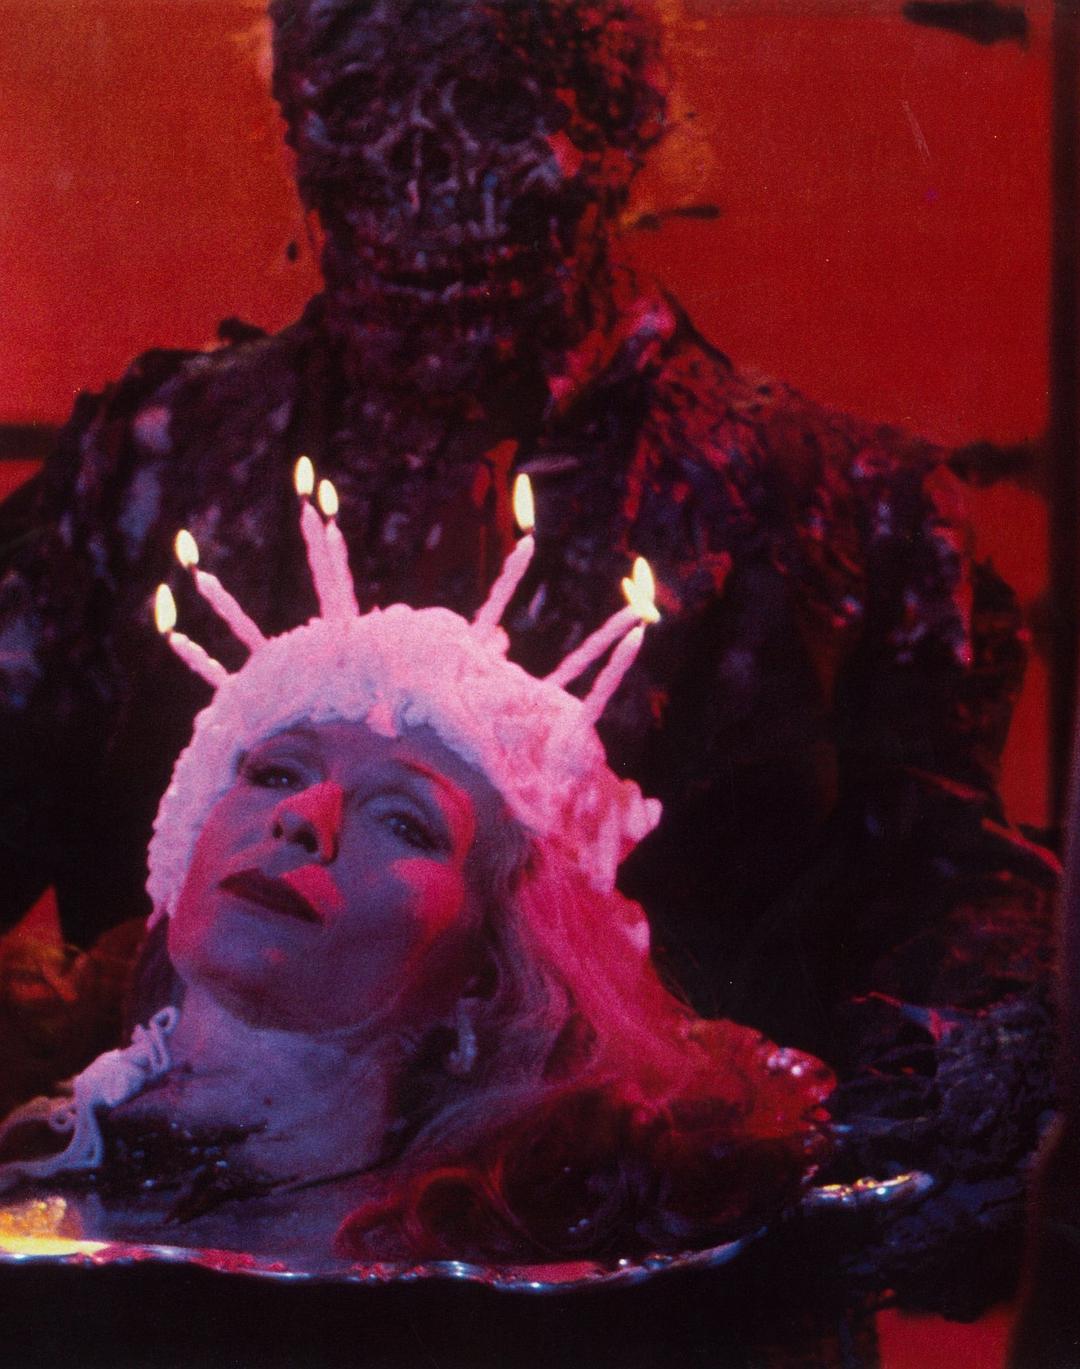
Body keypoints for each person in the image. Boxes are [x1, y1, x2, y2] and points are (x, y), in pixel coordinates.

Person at [0, 0, 1055, 1317]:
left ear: (623, 122)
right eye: (360, 104)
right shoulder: (151, 462)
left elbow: (969, 940)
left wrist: (732, 1161)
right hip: (143, 1294)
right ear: (293, 124)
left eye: (492, 106)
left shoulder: (837, 514)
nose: (419, 177)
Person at [0, 478, 832, 1265]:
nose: (303, 816)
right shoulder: (33, 1128)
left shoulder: (490, 1276)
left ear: (487, 971)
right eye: (275, 772)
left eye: (403, 820)